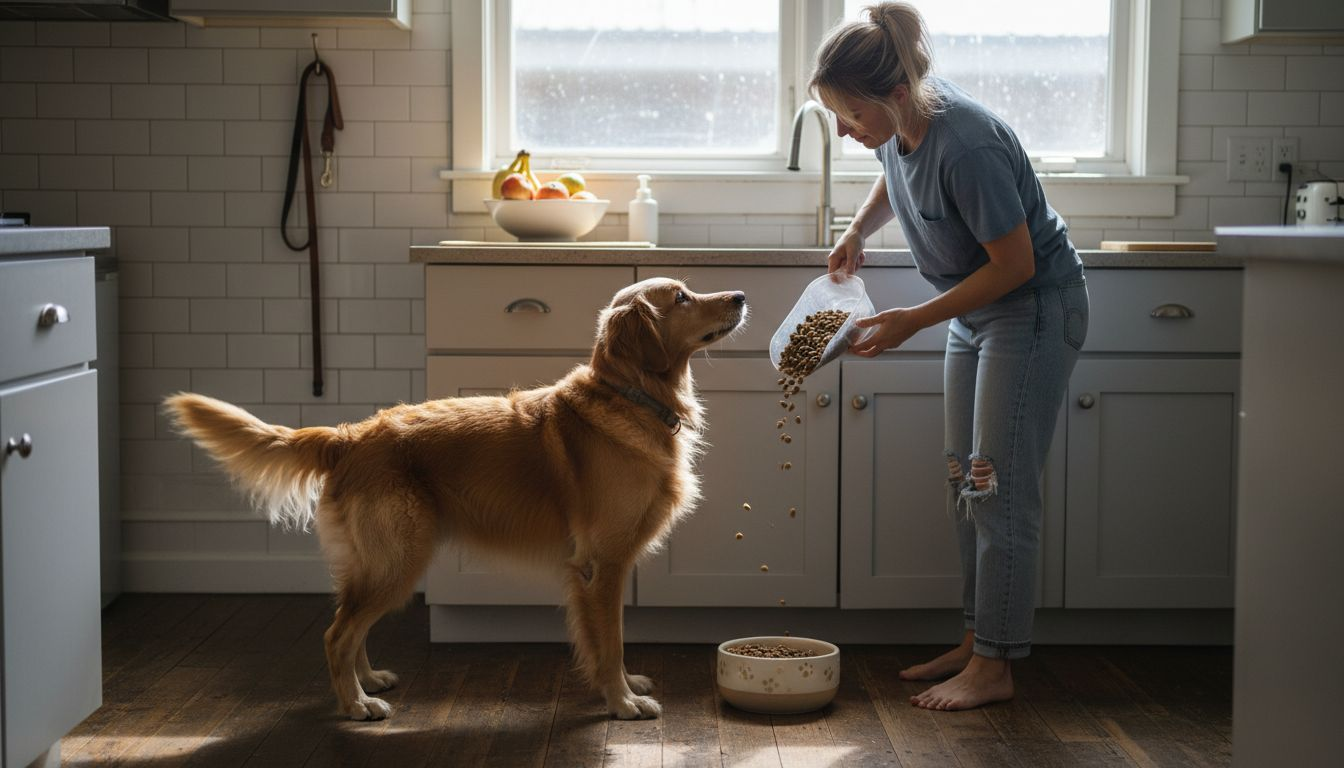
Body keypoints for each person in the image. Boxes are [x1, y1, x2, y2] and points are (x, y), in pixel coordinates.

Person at [811, 2, 1090, 710]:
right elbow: (889, 167)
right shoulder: (900, 118)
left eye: (850, 116)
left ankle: (996, 666)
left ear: (897, 93)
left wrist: (913, 321)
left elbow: (1017, 265)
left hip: (1028, 311)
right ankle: (977, 639)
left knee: (998, 490)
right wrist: (856, 231)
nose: (846, 132)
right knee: (963, 481)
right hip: (976, 312)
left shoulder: (967, 143)